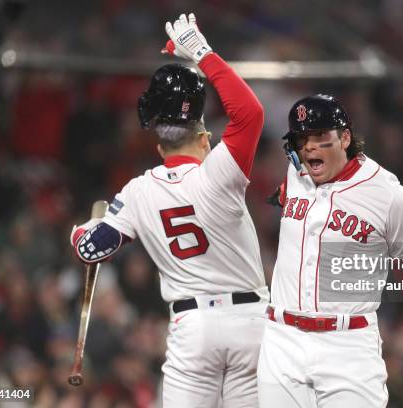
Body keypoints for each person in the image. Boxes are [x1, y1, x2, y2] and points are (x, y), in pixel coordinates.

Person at [70, 13, 269, 407]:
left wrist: (84, 228)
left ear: (158, 145)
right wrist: (203, 53)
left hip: (192, 328)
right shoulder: (221, 170)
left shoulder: (139, 191)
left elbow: (89, 249)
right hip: (252, 325)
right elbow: (251, 114)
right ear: (204, 135)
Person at [258, 94, 403, 407]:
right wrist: (279, 195)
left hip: (346, 344)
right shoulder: (296, 175)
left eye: (320, 137)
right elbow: (294, 194)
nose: (310, 147)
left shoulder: (389, 195)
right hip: (282, 341)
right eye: (302, 140)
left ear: (345, 137)